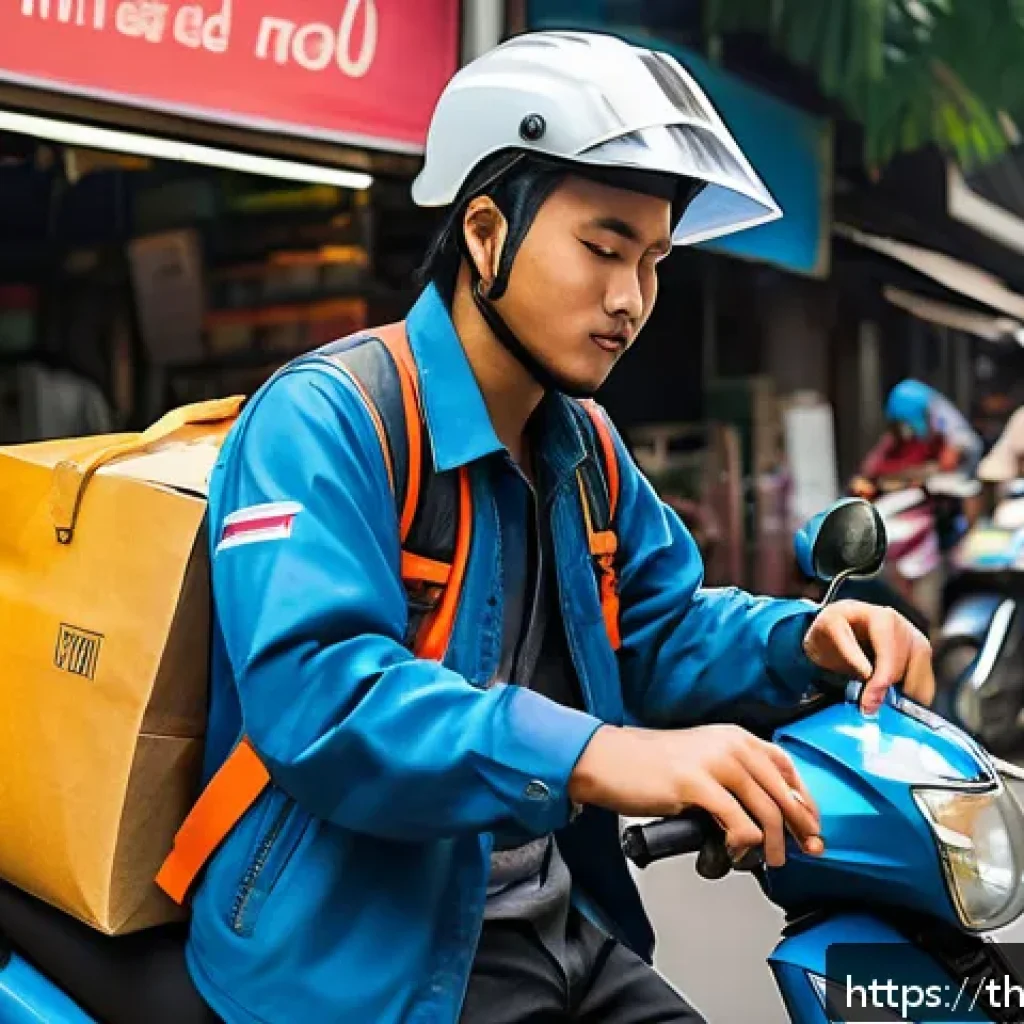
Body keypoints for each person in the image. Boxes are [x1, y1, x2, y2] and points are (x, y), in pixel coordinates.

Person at [184, 32, 935, 1024]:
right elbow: (319, 697)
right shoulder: (325, 419)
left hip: (556, 926)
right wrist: (592, 754)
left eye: (653, 260)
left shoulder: (582, 444)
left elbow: (660, 629)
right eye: (602, 248)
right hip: (362, 958)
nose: (630, 299)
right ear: (488, 236)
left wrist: (797, 640)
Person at [855, 379, 983, 489]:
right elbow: (870, 467)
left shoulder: (946, 427)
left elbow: (948, 462)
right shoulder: (901, 436)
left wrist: (913, 473)